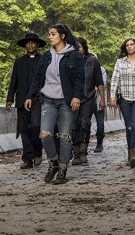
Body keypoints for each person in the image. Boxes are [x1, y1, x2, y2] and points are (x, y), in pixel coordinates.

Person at [24, 24, 84, 185]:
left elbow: (80, 78)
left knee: (64, 136)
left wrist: (77, 96)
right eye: (49, 34)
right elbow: (38, 78)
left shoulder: (74, 56)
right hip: (48, 100)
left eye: (53, 34)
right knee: (45, 134)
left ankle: (63, 170)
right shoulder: (46, 56)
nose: (50, 37)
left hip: (67, 101)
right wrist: (29, 96)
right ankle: (53, 162)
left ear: (62, 36)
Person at [6, 32, 46, 170]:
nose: (30, 45)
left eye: (33, 43)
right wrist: (9, 98)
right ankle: (28, 158)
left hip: (38, 99)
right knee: (24, 129)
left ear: (37, 45)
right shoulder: (19, 61)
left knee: (35, 126)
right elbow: (14, 80)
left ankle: (38, 150)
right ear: (25, 45)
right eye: (28, 43)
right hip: (21, 99)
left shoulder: (43, 60)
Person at [110, 37, 135, 167]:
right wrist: (112, 95)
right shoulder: (120, 62)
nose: (129, 46)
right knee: (129, 127)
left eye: (132, 44)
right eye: (127, 45)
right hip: (124, 99)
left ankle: (134, 154)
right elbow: (115, 79)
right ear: (125, 48)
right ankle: (131, 154)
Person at [71, 37, 105, 166]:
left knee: (85, 124)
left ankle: (83, 152)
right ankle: (76, 154)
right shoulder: (70, 60)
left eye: (79, 46)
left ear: (84, 47)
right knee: (74, 125)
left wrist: (102, 99)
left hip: (88, 97)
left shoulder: (92, 60)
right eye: (75, 47)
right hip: (73, 98)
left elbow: (99, 82)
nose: (77, 49)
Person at [93, 66, 108, 153]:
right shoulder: (83, 67)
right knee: (84, 123)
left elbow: (103, 83)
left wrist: (90, 88)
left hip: (99, 100)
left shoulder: (101, 70)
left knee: (100, 123)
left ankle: (99, 143)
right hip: (87, 100)